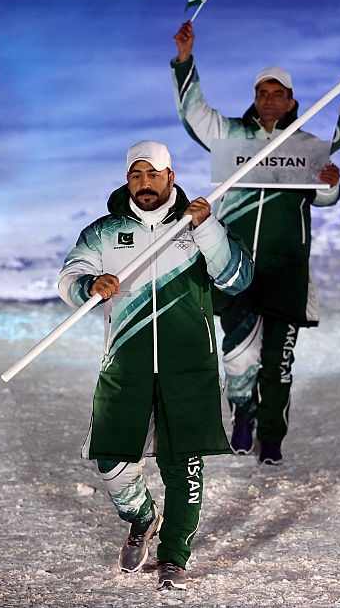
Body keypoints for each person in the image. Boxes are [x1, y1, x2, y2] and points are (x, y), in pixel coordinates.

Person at [58, 140, 252, 588]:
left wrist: (207, 229)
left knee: (184, 466)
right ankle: (142, 518)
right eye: (136, 175)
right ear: (128, 179)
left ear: (170, 177)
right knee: (111, 459)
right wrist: (90, 284)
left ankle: (174, 556)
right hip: (125, 365)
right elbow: (69, 279)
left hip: (189, 368)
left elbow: (237, 279)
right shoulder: (104, 232)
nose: (144, 183)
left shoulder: (198, 225)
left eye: (153, 174)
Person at [170, 20, 340, 467]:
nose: (269, 100)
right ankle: (242, 414)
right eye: (262, 93)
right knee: (240, 356)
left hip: (286, 271)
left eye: (277, 93)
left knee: (278, 362)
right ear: (255, 97)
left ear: (291, 101)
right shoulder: (231, 137)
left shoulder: (307, 147)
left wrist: (330, 182)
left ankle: (272, 438)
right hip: (236, 267)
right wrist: (185, 60)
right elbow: (194, 114)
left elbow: (325, 198)